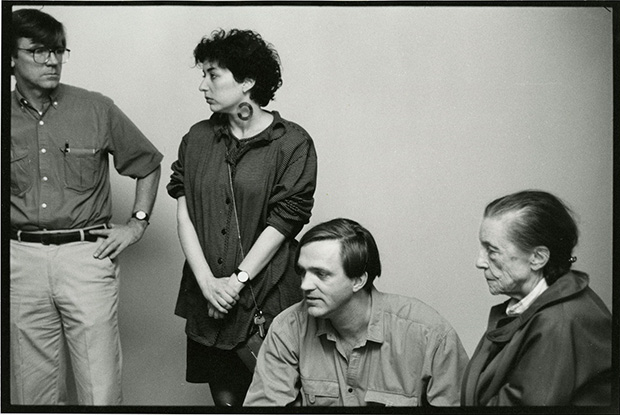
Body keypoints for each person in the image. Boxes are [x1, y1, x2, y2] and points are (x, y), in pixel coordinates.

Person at [9, 9, 163, 405]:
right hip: (19, 259)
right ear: (11, 57)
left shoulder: (95, 108)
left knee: (100, 386)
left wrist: (136, 224)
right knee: (31, 391)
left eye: (58, 51)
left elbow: (147, 164)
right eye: (39, 51)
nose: (52, 60)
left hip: (86, 254)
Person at [167, 28, 317, 406]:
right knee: (226, 402)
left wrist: (235, 283)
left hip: (266, 297)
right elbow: (185, 217)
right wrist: (206, 283)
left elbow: (285, 222)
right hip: (207, 300)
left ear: (248, 80)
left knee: (281, 399)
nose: (203, 85)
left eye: (213, 74)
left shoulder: (292, 143)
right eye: (203, 74)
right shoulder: (196, 139)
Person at [244, 218, 469, 406]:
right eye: (302, 273)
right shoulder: (288, 329)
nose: (304, 285)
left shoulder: (430, 335)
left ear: (358, 280)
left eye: (321, 274)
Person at [461, 190, 612, 406]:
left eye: (491, 250)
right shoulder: (533, 307)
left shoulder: (558, 323)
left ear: (538, 257)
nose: (480, 261)